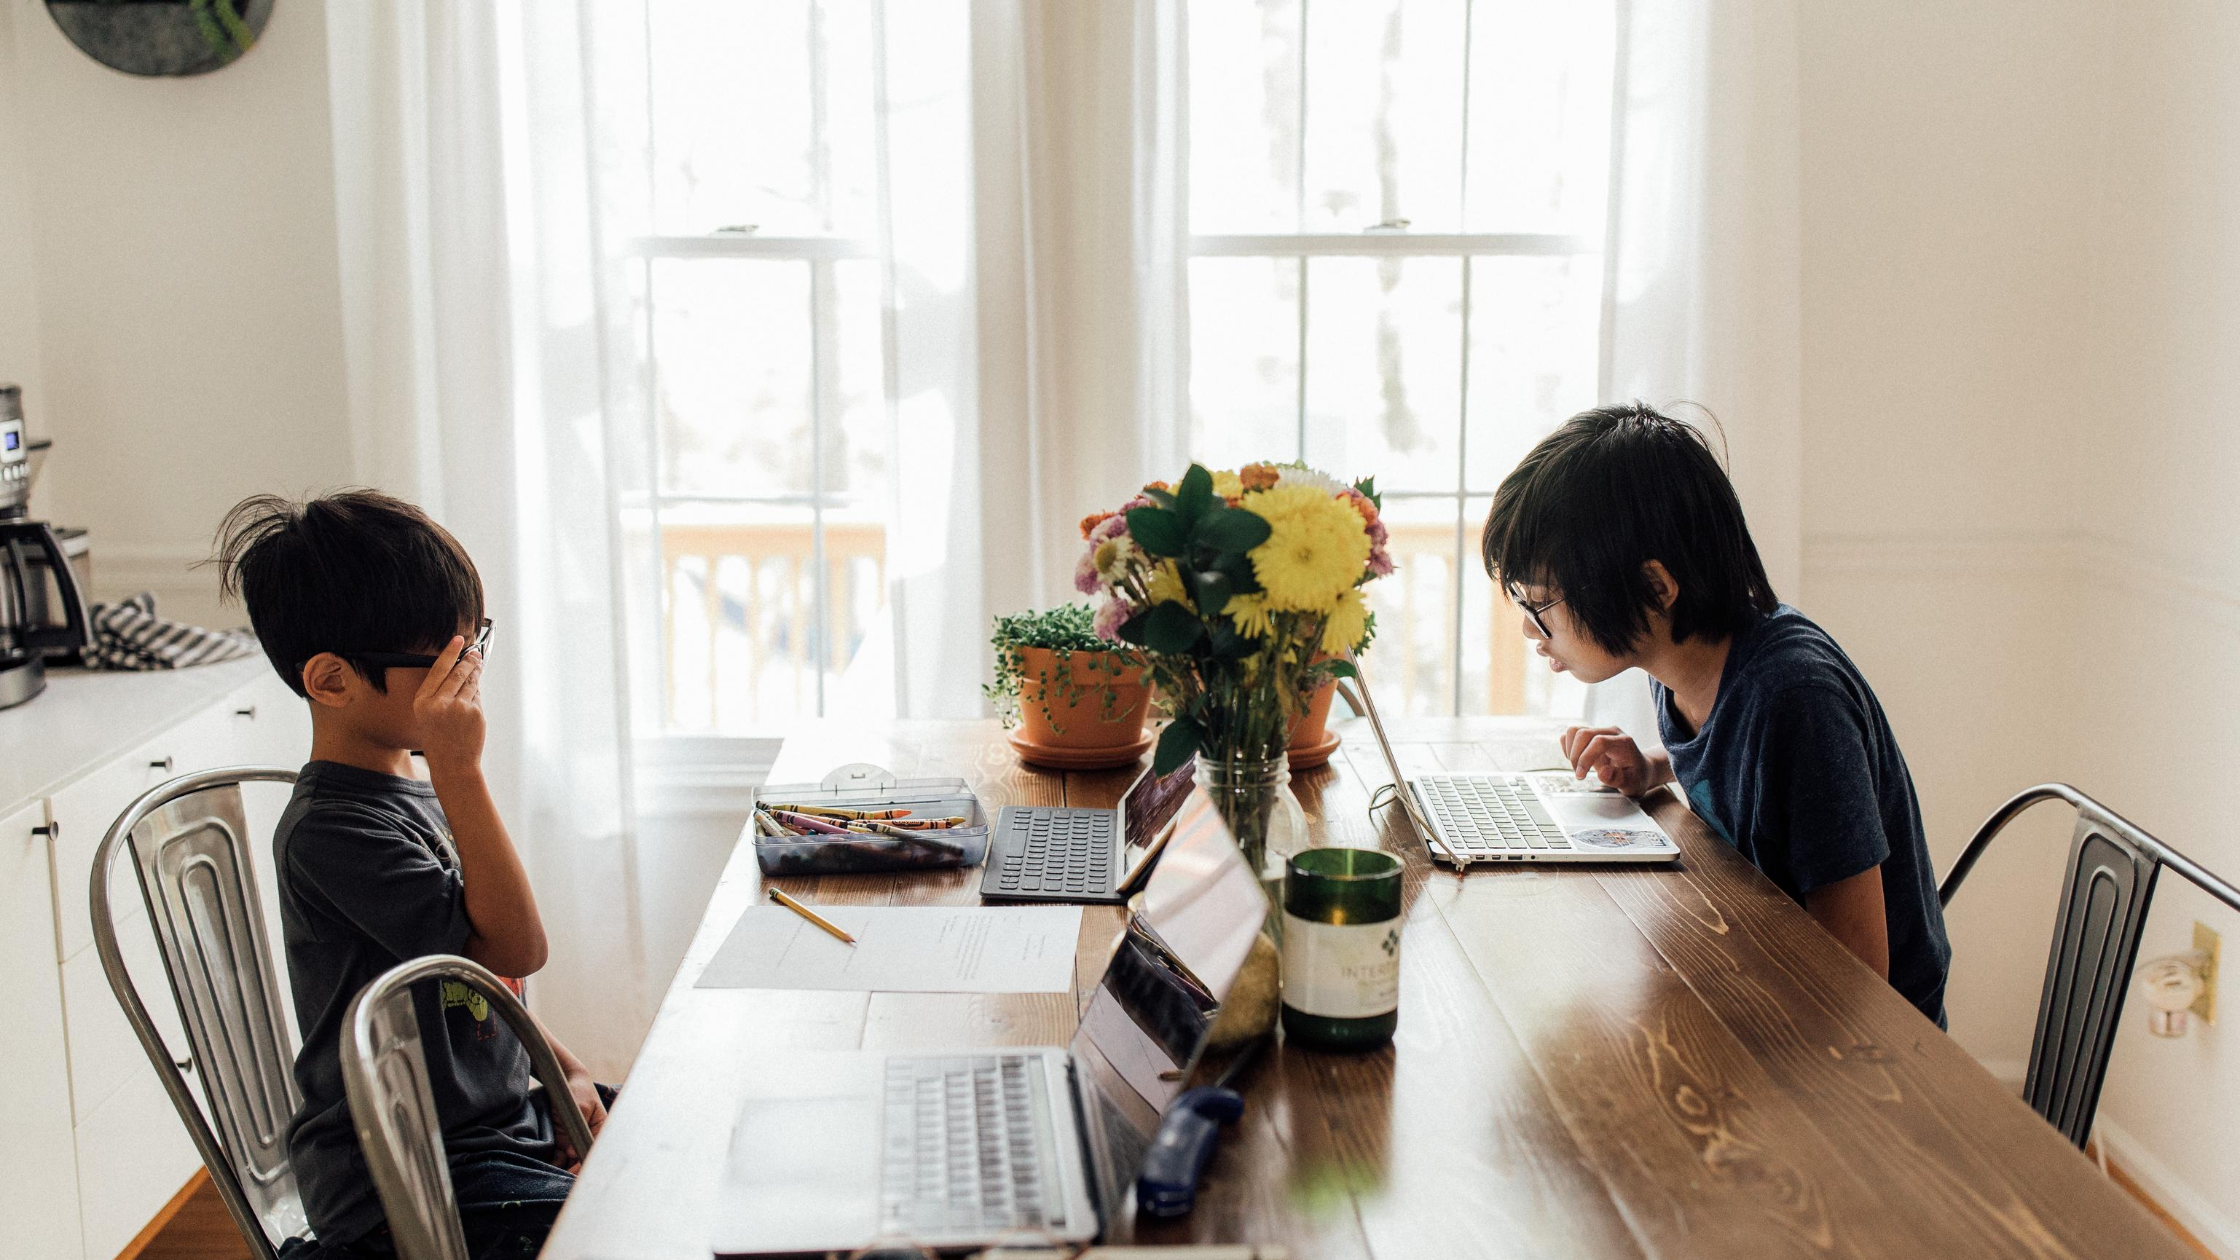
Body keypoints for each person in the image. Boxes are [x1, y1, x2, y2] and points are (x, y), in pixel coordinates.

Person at [215, 490, 610, 1259]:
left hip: (492, 1131)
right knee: (632, 1215)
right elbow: (514, 950)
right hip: (407, 1177)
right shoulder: (335, 830)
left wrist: (567, 1072)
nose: (466, 678)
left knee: (677, 1134)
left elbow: (487, 987)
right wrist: (460, 767)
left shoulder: (409, 788)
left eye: (474, 648)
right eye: (441, 661)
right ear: (330, 681)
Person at [1481, 403, 1952, 1026]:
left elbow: (1859, 975)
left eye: (1543, 603)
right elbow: (1737, 761)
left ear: (1654, 589)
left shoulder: (1798, 699)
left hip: (1872, 1055)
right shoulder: (1683, 668)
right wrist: (1651, 766)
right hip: (1765, 973)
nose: (1529, 627)